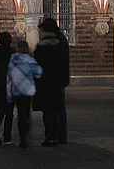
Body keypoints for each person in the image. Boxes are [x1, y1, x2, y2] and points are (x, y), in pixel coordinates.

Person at [33, 18, 70, 146]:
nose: (39, 33)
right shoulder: (61, 42)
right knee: (58, 108)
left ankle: (51, 136)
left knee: (48, 110)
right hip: (59, 81)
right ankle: (61, 136)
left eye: (40, 31)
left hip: (46, 82)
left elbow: (37, 65)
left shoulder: (43, 46)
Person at [6, 40, 42, 148]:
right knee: (27, 113)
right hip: (28, 90)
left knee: (20, 114)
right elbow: (39, 73)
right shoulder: (30, 60)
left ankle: (22, 138)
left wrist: (8, 94)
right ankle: (26, 135)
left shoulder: (12, 60)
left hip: (16, 91)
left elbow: (9, 78)